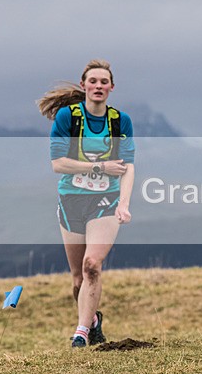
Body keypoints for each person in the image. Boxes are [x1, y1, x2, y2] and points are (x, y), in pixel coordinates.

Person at [37, 59, 135, 346]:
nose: (98, 86)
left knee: (92, 265)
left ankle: (80, 333)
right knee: (78, 280)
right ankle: (92, 320)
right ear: (84, 85)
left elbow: (128, 166)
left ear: (111, 87)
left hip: (105, 201)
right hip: (71, 201)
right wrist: (100, 168)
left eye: (104, 82)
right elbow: (58, 164)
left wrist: (124, 203)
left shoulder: (120, 121)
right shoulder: (68, 118)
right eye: (93, 81)